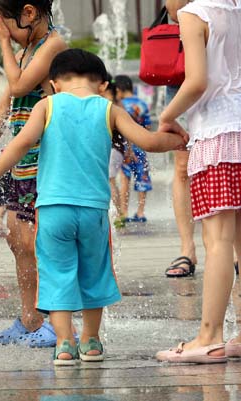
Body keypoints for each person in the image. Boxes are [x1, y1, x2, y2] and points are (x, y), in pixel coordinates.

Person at [0, 48, 188, 365]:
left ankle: (63, 343)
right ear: (102, 84)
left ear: (55, 83)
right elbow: (149, 142)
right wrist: (182, 140)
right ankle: (91, 341)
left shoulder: (47, 105)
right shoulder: (109, 109)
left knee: (57, 273)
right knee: (94, 273)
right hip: (94, 211)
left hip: (53, 210)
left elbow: (20, 144)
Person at [0, 0, 68, 347]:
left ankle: (54, 320)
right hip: (24, 164)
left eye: (4, 26)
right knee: (17, 240)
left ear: (29, 13)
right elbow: (6, 103)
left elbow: (17, 87)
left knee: (41, 243)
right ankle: (30, 318)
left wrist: (2, 44)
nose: (4, 36)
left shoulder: (53, 46)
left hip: (47, 162)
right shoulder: (28, 50)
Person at [156, 0, 241, 364]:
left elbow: (197, 82)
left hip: (219, 133)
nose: (164, 4)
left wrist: (167, 115)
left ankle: (209, 336)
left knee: (217, 240)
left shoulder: (195, 14)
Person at [114, 75, 153, 224]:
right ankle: (141, 211)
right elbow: (148, 126)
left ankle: (124, 211)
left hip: (125, 147)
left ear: (119, 89)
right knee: (142, 176)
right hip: (141, 145)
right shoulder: (142, 104)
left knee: (125, 178)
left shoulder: (120, 105)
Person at [100, 74, 127, 227]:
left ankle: (117, 214)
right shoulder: (118, 104)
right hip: (117, 148)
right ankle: (118, 212)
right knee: (110, 180)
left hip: (112, 148)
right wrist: (128, 150)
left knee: (109, 180)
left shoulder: (108, 104)